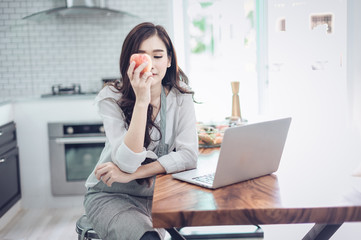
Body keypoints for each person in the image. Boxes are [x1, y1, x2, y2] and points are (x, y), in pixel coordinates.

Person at [83, 22, 199, 240]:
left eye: (157, 56)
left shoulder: (180, 98)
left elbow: (189, 156)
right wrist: (142, 100)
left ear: (169, 60)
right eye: (141, 55)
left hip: (158, 195)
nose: (150, 64)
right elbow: (126, 162)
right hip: (112, 195)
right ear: (129, 59)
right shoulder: (110, 97)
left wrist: (135, 175)